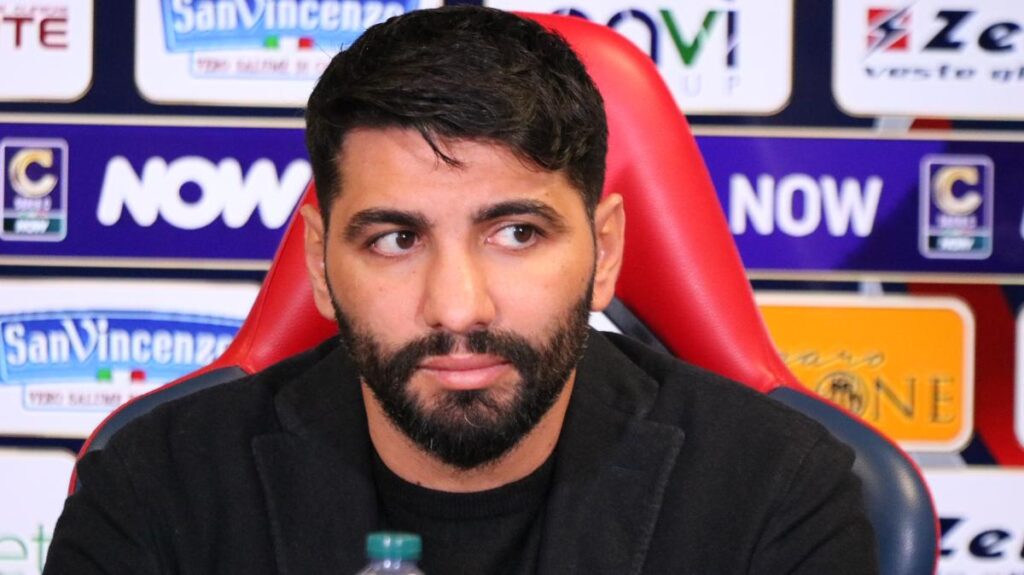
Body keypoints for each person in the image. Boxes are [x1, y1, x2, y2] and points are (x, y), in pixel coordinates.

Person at [44, 6, 878, 574]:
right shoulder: (156, 490)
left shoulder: (775, 492)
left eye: (516, 233)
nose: (456, 306)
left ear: (606, 250)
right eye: (396, 239)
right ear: (321, 264)